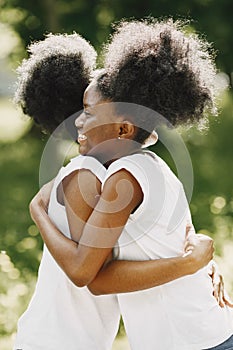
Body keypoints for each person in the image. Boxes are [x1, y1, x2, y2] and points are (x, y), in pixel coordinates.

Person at [29, 19, 233, 350]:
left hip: (191, 340)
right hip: (201, 332)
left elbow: (87, 275)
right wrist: (198, 260)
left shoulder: (125, 177)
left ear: (124, 130)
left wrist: (36, 209)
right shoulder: (149, 164)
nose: (77, 121)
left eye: (89, 112)